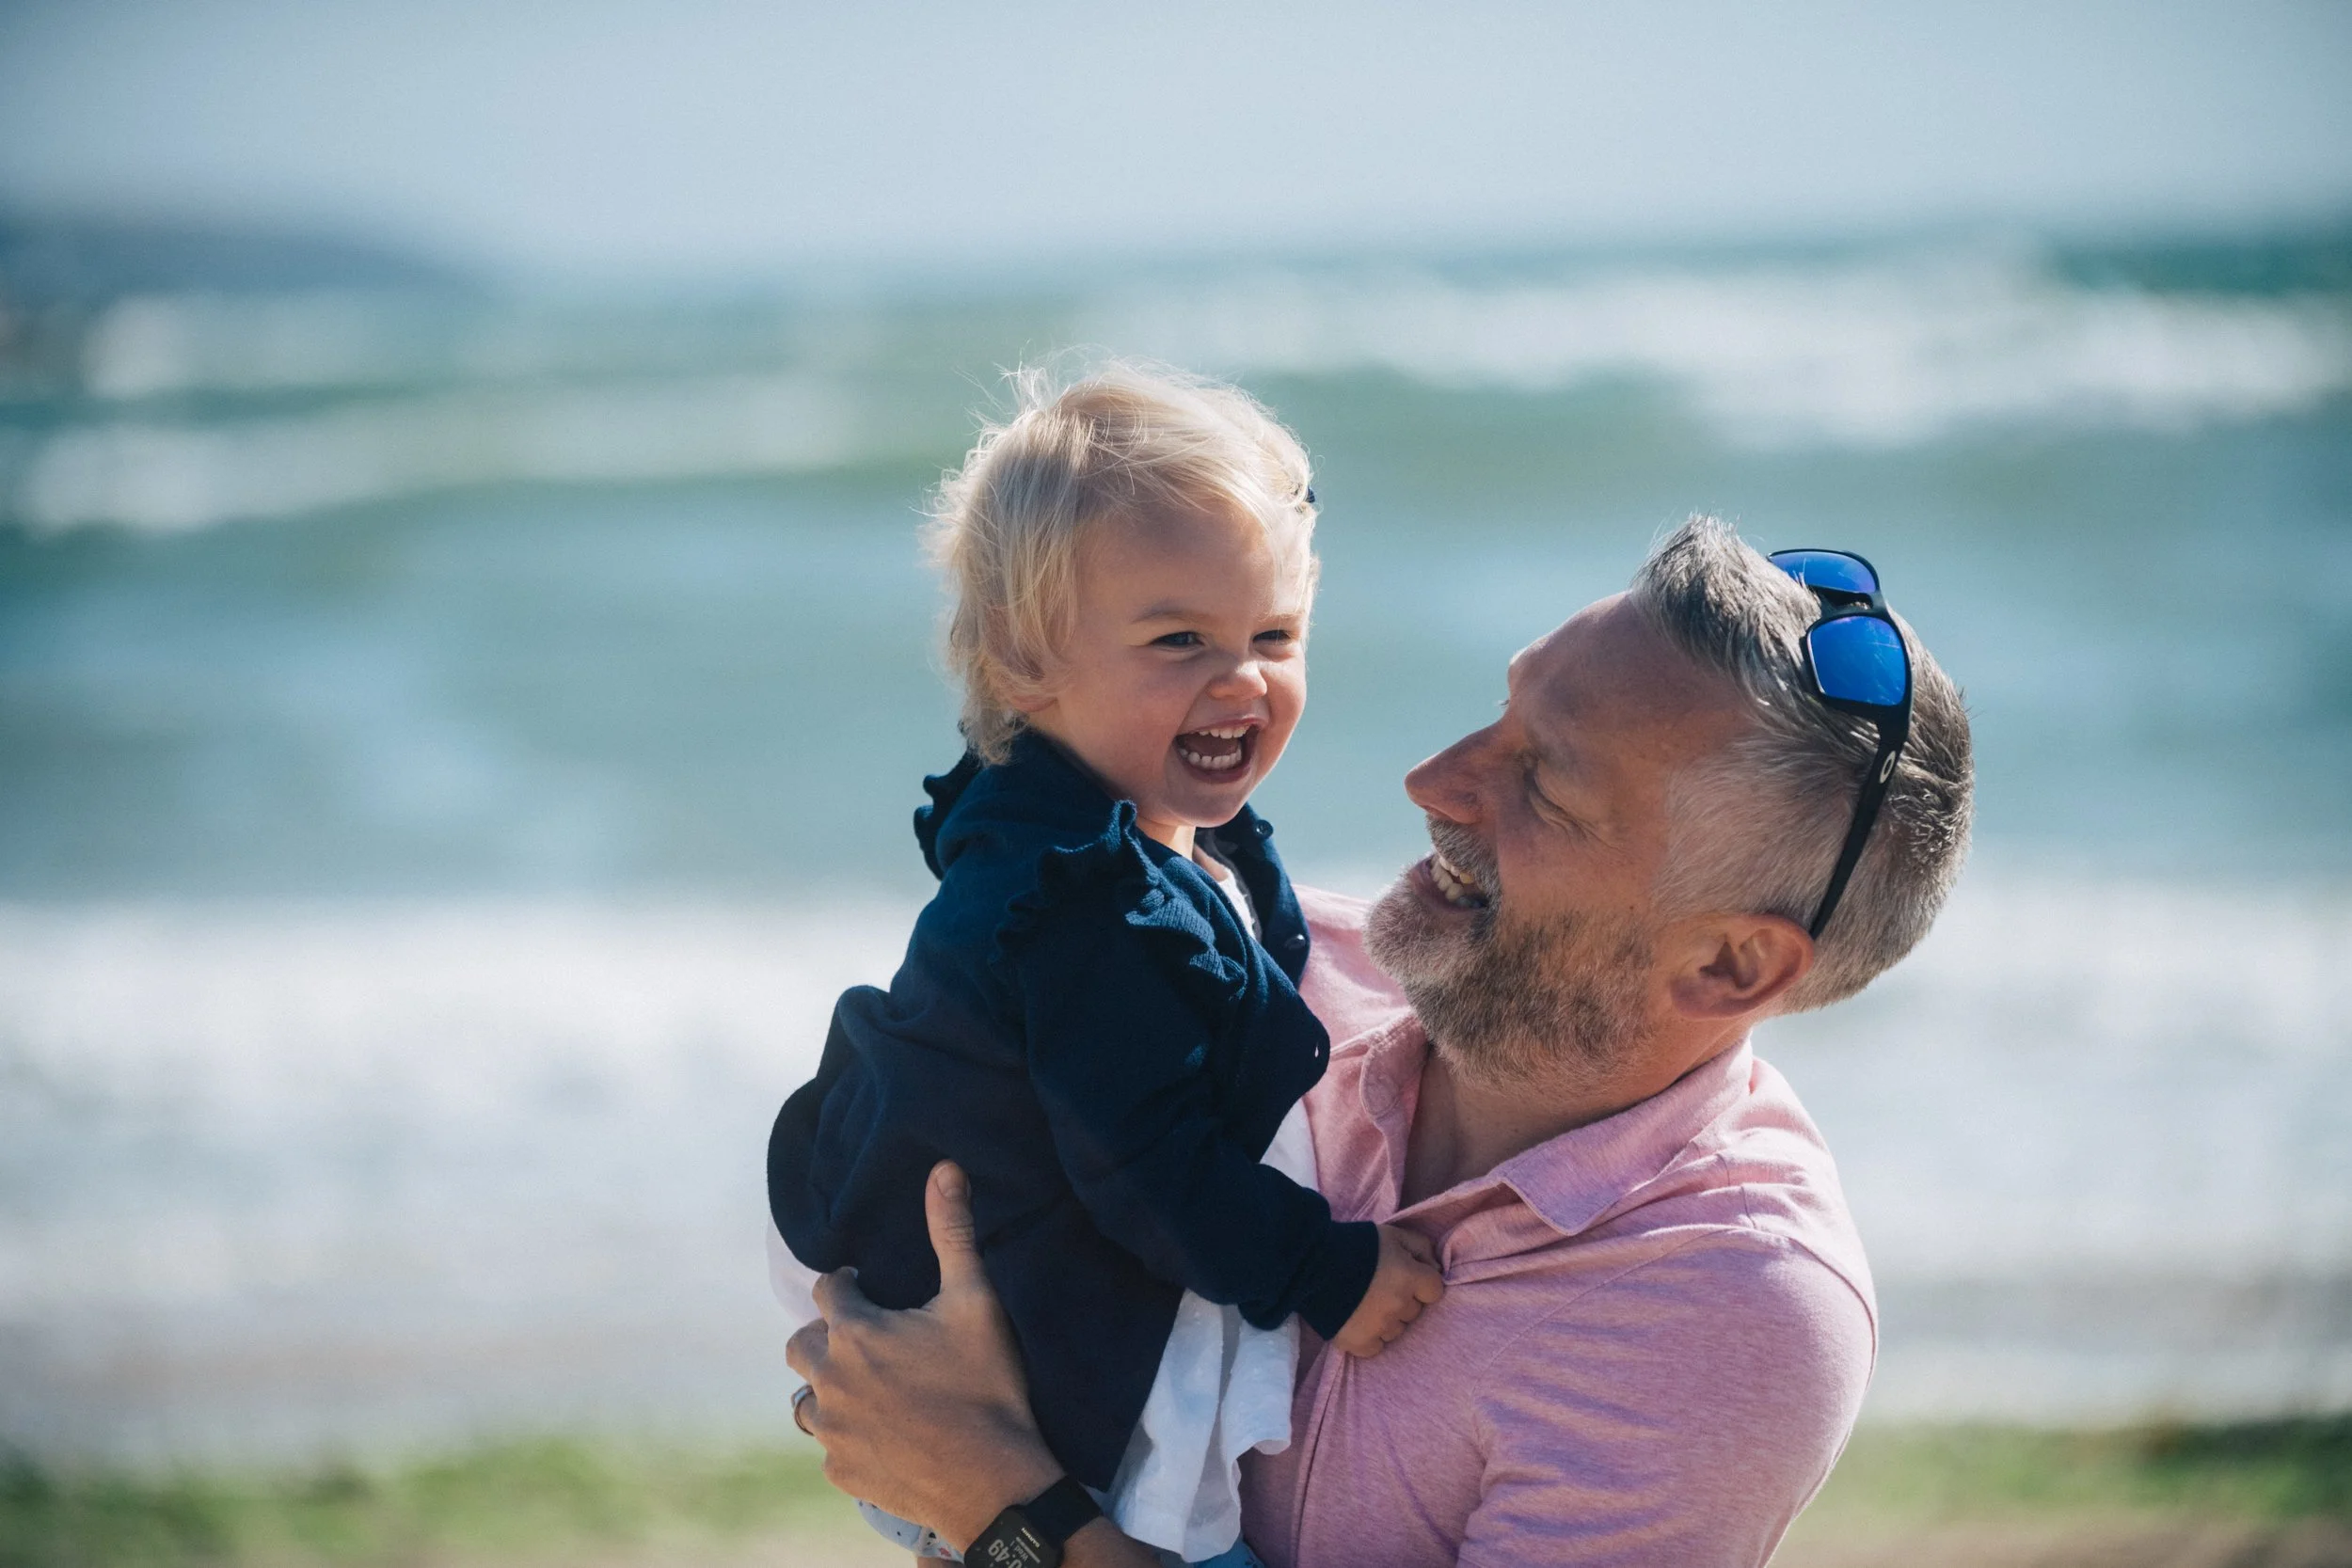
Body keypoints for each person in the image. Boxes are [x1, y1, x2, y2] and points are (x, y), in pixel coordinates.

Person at [784, 516, 1975, 1567]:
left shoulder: (1725, 1308)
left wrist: (995, 1506)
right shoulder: (1246, 983)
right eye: (1501, 710)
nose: (1433, 779)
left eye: (1545, 784)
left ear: (1729, 964)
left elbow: (971, 1478)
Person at [765, 366, 1445, 1563]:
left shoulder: (1116, 831)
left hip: (1016, 1337)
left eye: (1273, 635)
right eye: (1178, 639)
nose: (1241, 677)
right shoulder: (1089, 903)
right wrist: (1324, 1269)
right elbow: (1145, 1164)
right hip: (1054, 1393)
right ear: (1028, 666)